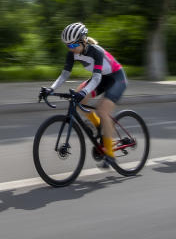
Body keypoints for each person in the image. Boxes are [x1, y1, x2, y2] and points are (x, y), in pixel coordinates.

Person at [41, 22, 127, 166]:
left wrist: (84, 92)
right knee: (78, 99)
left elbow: (97, 78)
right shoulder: (72, 53)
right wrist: (51, 89)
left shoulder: (96, 52)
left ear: (83, 40)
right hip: (100, 78)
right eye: (68, 46)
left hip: (116, 78)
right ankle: (99, 126)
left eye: (74, 45)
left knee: (102, 110)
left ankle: (110, 155)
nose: (71, 49)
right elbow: (64, 75)